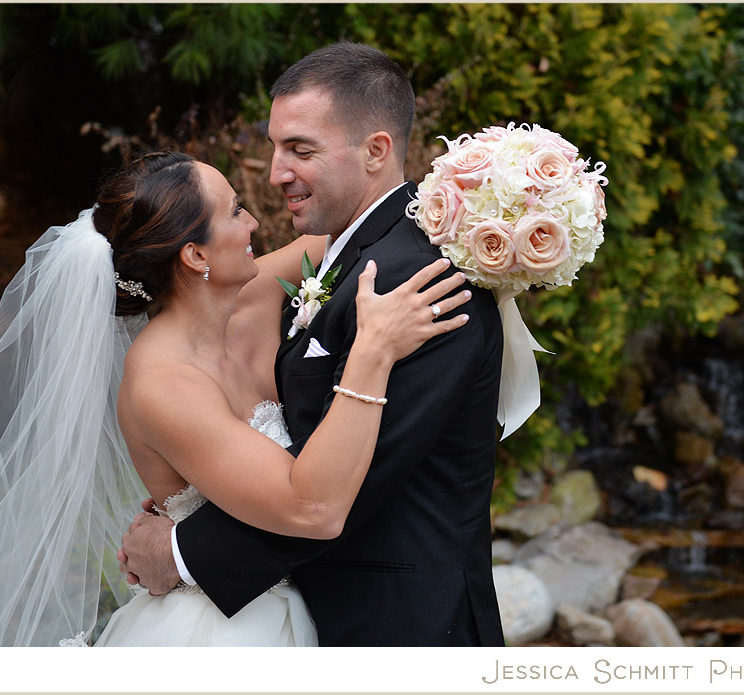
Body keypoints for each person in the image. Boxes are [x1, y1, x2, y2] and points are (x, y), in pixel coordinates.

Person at [0, 150, 471, 647]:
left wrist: (495, 201)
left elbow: (359, 231)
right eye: (233, 211)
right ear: (196, 257)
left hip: (324, 601)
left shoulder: (253, 295)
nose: (253, 220)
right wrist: (372, 352)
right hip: (223, 631)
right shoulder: (161, 384)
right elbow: (308, 508)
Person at [120, 42, 506, 646]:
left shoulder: (411, 281)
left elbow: (349, 490)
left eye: (300, 149)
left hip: (404, 629)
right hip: (302, 618)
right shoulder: (346, 257)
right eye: (275, 148)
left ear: (376, 150)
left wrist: (182, 551)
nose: (274, 175)